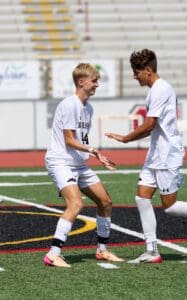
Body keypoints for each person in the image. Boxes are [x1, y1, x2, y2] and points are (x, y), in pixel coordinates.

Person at [106, 49, 187, 264]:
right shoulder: (154, 90)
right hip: (156, 152)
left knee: (170, 206)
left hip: (167, 154)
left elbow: (149, 124)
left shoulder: (160, 89)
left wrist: (125, 139)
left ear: (148, 70)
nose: (134, 76)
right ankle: (152, 250)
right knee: (142, 197)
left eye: (136, 72)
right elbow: (151, 127)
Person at [44, 63, 123, 268]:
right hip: (61, 161)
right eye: (94, 81)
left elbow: (81, 139)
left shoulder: (88, 107)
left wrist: (96, 156)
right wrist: (93, 151)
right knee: (76, 204)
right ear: (81, 82)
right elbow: (69, 140)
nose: (97, 84)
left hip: (78, 163)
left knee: (105, 201)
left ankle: (102, 250)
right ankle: (53, 254)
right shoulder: (70, 104)